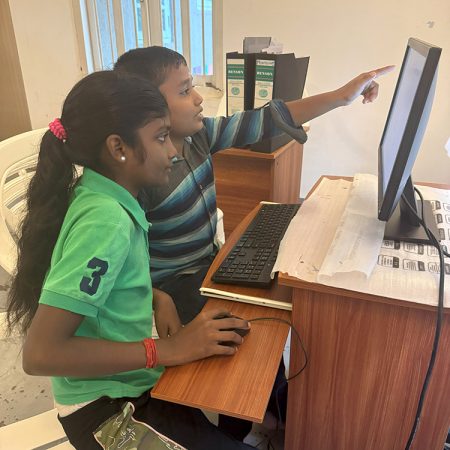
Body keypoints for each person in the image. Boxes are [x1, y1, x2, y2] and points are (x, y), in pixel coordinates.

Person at [114, 46, 394, 439]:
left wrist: (340, 97)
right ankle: (247, 421)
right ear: (146, 109)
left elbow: (266, 119)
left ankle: (275, 413)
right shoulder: (141, 173)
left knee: (271, 308)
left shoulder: (198, 137)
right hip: (173, 283)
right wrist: (157, 295)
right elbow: (124, 259)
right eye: (184, 91)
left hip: (210, 262)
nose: (198, 99)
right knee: (244, 334)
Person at [6, 70, 254, 450]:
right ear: (119, 148)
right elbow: (41, 354)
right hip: (104, 412)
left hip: (132, 383)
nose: (174, 151)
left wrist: (156, 296)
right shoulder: (107, 221)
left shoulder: (103, 194)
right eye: (160, 137)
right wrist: (166, 350)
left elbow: (104, 281)